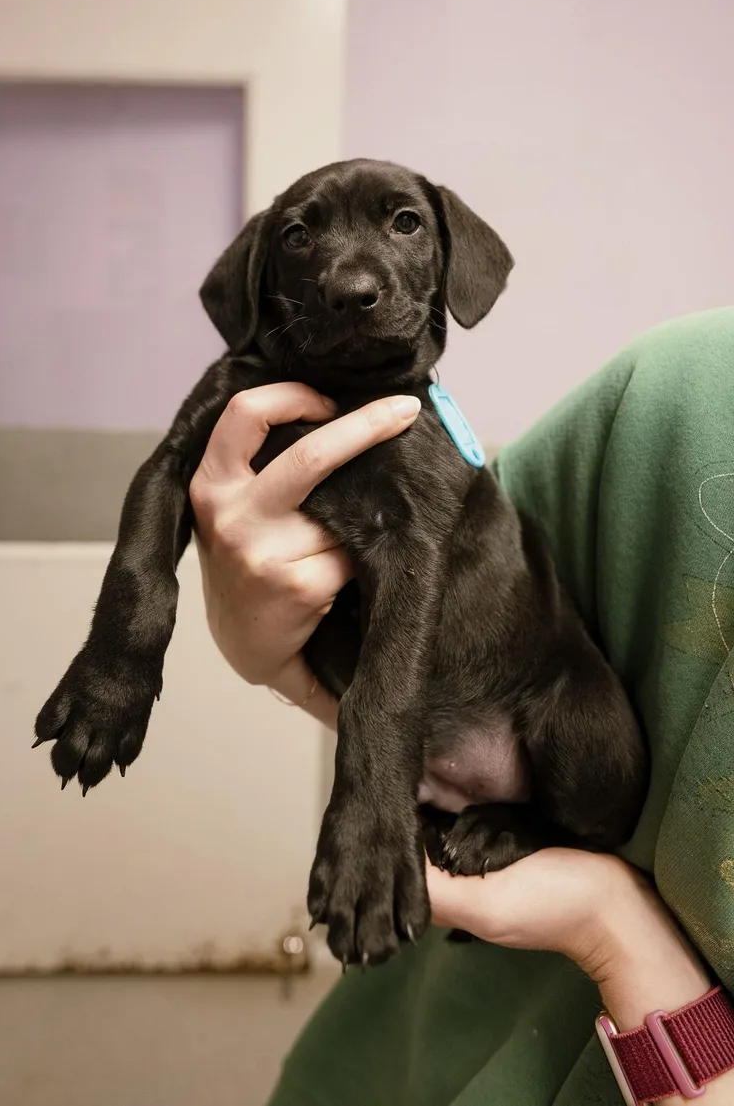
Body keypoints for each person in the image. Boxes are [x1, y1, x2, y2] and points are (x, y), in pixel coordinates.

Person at [190, 310, 734, 1105]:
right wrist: (274, 649)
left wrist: (610, 924)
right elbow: (453, 658)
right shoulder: (677, 395)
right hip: (439, 1046)